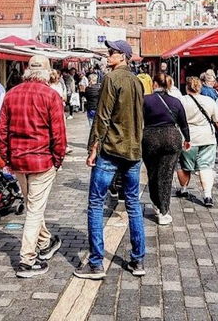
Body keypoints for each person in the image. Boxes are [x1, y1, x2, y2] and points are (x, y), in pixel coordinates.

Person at [75, 40, 146, 280]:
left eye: (112, 52)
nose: (108, 55)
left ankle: (96, 263)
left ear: (123, 57)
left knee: (95, 203)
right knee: (133, 205)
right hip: (134, 151)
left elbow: (102, 117)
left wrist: (93, 148)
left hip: (111, 149)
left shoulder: (111, 79)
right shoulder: (137, 81)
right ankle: (138, 260)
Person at [0, 55, 67, 278]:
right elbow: (58, 133)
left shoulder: (11, 94)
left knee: (32, 204)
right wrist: (58, 160)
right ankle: (27, 260)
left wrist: (6, 157)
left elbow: (2, 130)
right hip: (41, 160)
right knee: (34, 210)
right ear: (47, 73)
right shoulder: (50, 95)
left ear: (28, 71)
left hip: (18, 160)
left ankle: (46, 242)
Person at [142, 73, 189, 225]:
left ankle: (156, 203)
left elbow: (138, 120)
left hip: (150, 138)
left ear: (154, 84)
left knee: (153, 173)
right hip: (171, 137)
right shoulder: (175, 101)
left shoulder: (145, 100)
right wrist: (188, 139)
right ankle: (163, 210)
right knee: (166, 175)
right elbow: (183, 123)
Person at [178, 77, 218, 207]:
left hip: (187, 138)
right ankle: (207, 195)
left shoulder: (181, 101)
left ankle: (183, 190)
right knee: (206, 167)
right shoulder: (209, 101)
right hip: (207, 138)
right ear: (200, 87)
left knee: (184, 166)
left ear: (186, 87)